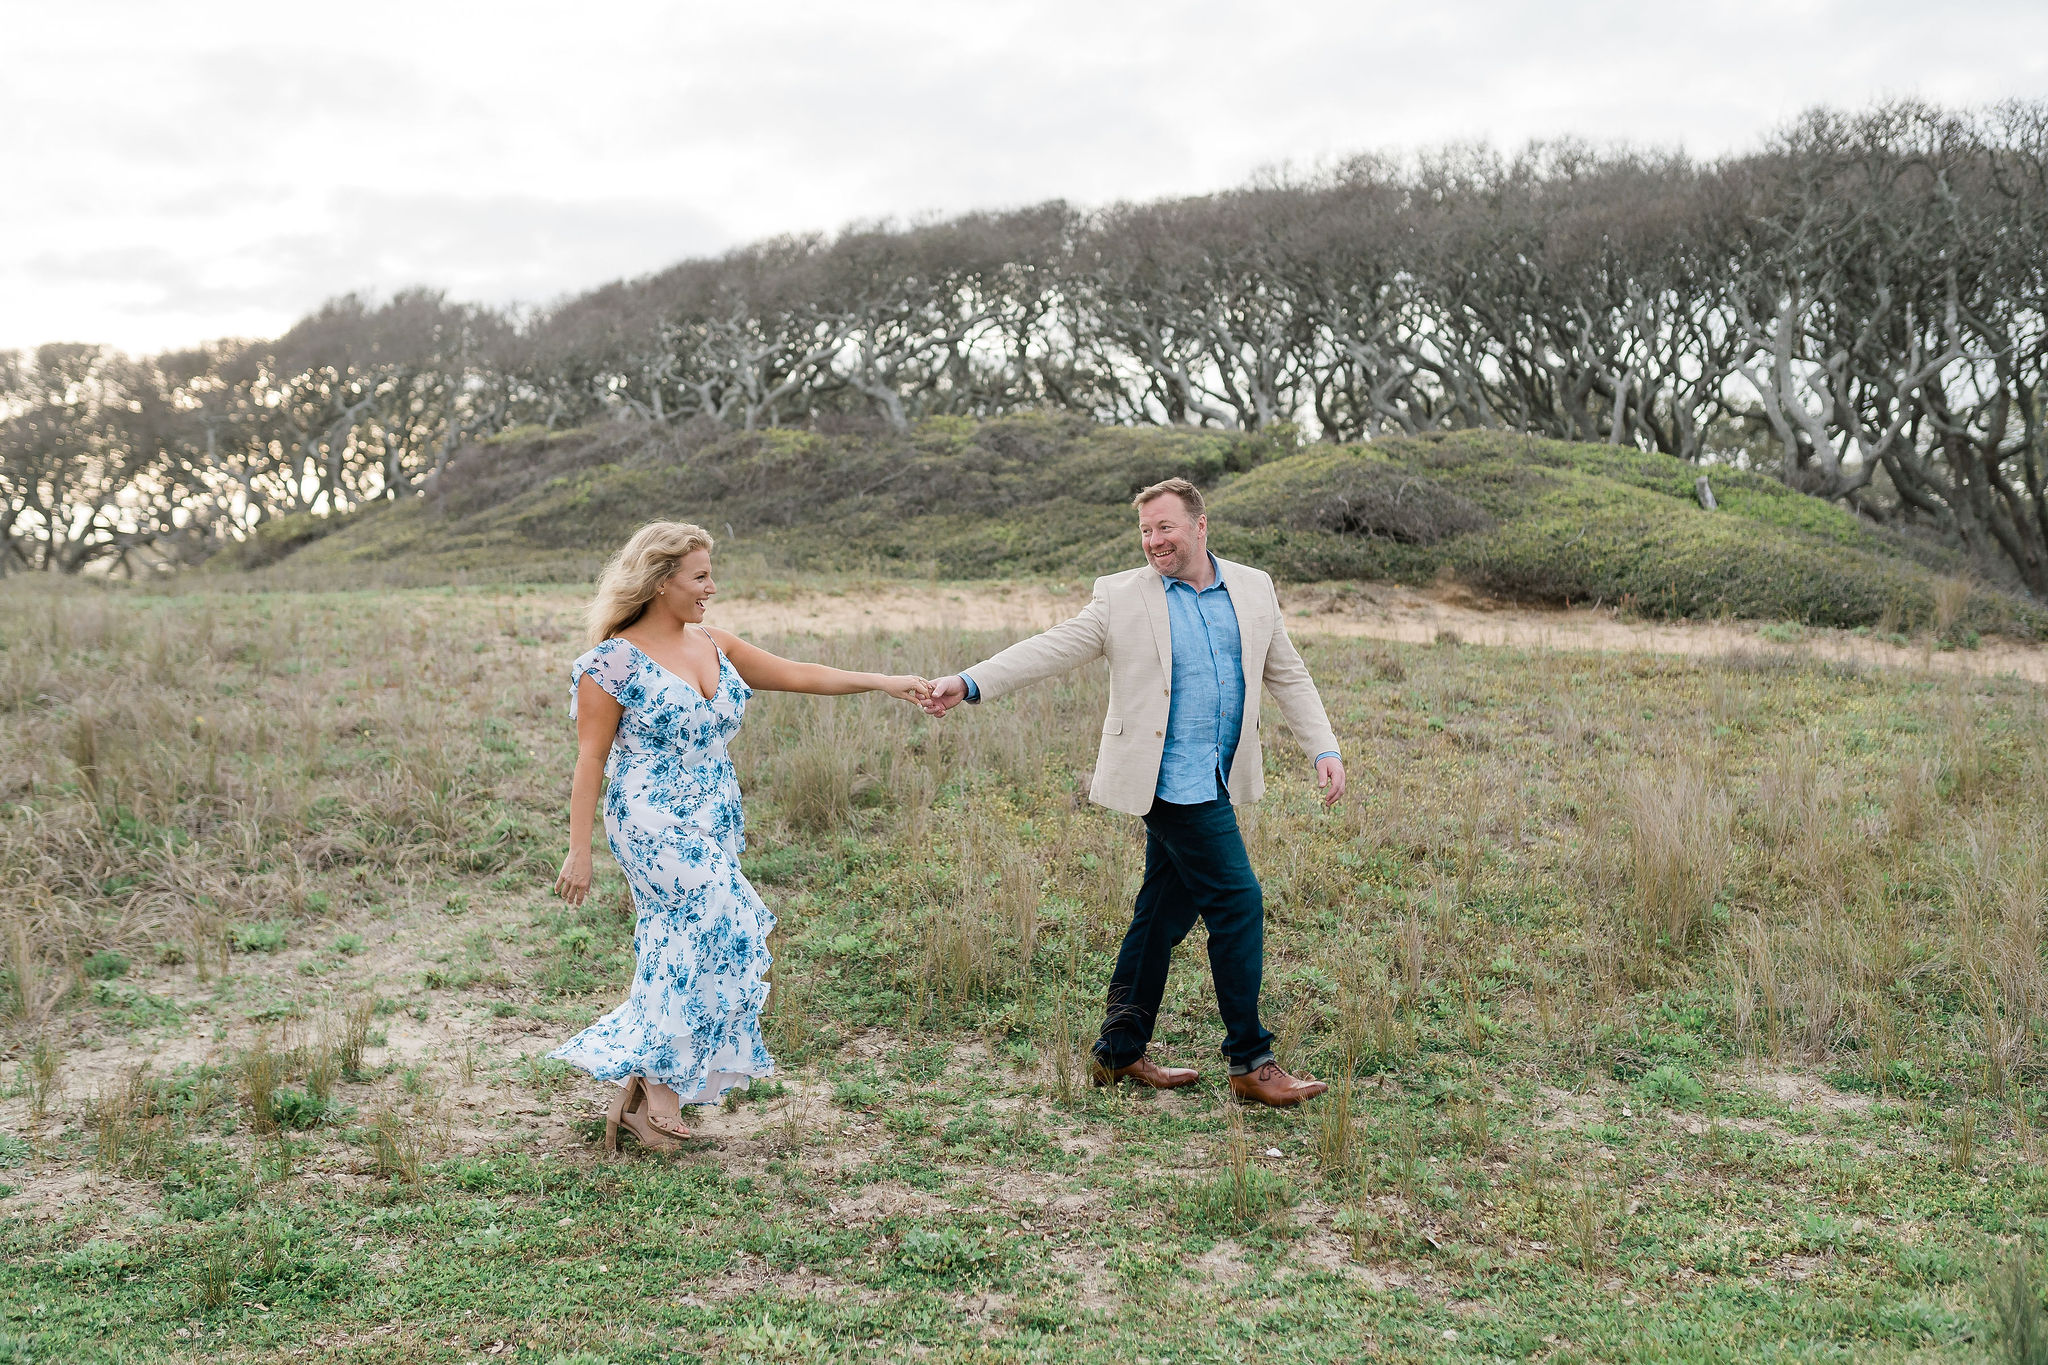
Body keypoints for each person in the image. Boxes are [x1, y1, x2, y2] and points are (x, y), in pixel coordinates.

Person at [922, 478, 1343, 1107]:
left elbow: (1285, 669)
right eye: (1146, 531)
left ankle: (1119, 1052)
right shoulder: (1121, 596)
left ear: (1201, 527)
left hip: (1220, 774)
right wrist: (968, 681)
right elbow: (1053, 647)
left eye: (1166, 528)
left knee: (1160, 917)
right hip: (1168, 783)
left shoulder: (1252, 587)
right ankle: (1251, 1060)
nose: (1154, 542)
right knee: (1238, 904)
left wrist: (1324, 747)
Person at [551, 521, 930, 1150]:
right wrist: (579, 848)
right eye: (700, 576)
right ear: (660, 580)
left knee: (687, 933)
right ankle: (662, 1086)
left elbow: (799, 674)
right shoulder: (610, 662)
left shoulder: (715, 642)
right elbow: (591, 759)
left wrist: (883, 682)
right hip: (649, 814)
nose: (712, 586)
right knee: (715, 917)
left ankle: (644, 1089)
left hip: (715, 813)